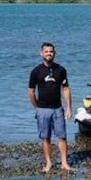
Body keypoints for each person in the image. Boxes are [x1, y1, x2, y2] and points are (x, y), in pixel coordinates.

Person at [28, 42, 72, 172]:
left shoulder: (61, 70)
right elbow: (31, 91)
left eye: (51, 51)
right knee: (45, 137)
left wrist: (69, 107)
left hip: (58, 108)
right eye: (46, 51)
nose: (49, 54)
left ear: (54, 53)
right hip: (42, 109)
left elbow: (66, 89)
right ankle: (48, 163)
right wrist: (36, 107)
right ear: (41, 53)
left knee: (62, 136)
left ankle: (64, 163)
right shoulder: (36, 71)